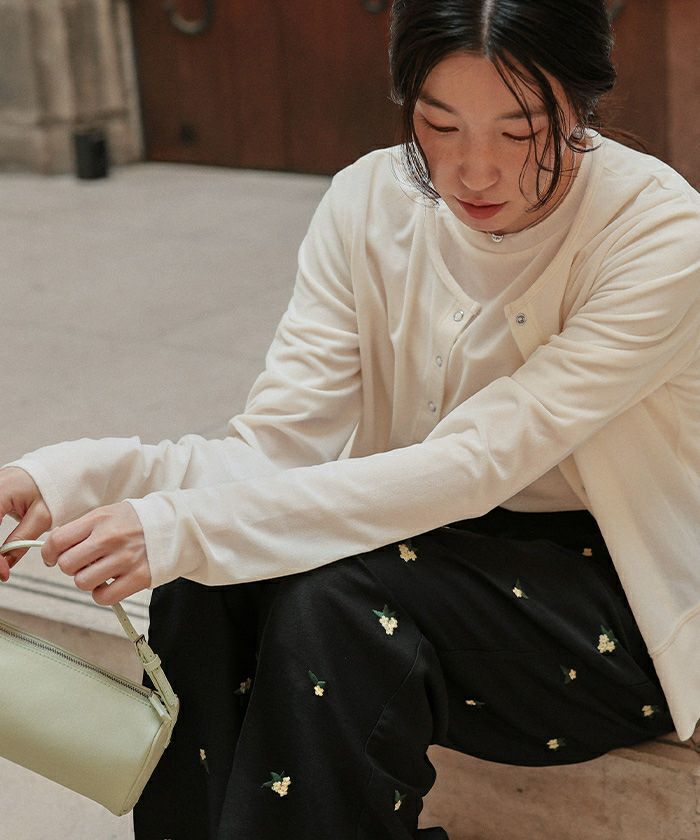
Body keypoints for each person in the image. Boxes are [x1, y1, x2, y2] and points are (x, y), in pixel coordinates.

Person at [1, 1, 698, 837]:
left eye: (522, 132)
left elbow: (475, 462)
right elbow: (276, 449)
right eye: (440, 125)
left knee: (334, 603)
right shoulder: (369, 199)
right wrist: (73, 478)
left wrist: (183, 526)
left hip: (614, 597)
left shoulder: (658, 234)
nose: (475, 171)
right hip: (424, 539)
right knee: (208, 578)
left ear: (583, 104)